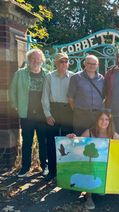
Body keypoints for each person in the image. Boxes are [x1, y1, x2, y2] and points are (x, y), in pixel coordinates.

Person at [68, 110, 119, 210]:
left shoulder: (113, 135)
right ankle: (88, 196)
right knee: (90, 168)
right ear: (97, 120)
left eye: (106, 119)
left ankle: (100, 187)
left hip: (105, 166)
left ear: (110, 122)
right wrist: (71, 138)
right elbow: (77, 143)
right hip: (89, 164)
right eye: (101, 119)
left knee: (105, 171)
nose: (104, 122)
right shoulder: (90, 132)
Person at [9, 48, 48, 177]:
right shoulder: (20, 74)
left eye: (38, 59)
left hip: (42, 115)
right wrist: (16, 107)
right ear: (29, 60)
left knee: (43, 142)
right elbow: (12, 91)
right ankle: (25, 168)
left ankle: (45, 167)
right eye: (33, 59)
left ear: (42, 60)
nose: (36, 61)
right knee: (27, 142)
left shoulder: (47, 75)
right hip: (27, 114)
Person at [41, 53, 74, 181]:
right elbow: (44, 97)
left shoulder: (73, 76)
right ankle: (52, 171)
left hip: (68, 111)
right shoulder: (49, 77)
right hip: (54, 110)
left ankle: (65, 171)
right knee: (51, 141)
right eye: (61, 61)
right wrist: (48, 115)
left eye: (66, 61)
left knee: (67, 142)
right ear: (56, 63)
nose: (64, 64)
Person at [67, 55, 105, 135]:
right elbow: (70, 98)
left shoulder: (102, 79)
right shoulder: (76, 77)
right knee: (80, 139)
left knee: (96, 139)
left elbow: (105, 97)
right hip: (81, 116)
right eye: (89, 63)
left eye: (94, 64)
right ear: (84, 63)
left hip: (97, 116)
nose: (92, 66)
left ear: (97, 65)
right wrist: (78, 111)